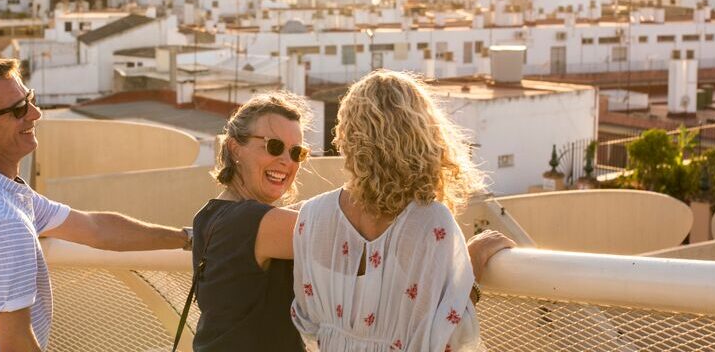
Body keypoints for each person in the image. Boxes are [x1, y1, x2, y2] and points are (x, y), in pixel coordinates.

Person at [0, 58, 191, 352]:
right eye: (19, 109)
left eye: (30, 99)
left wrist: (187, 238)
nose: (35, 113)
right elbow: (16, 344)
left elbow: (95, 228)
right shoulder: (2, 220)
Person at [291, 69, 515, 351]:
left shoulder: (312, 217)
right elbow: (445, 340)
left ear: (347, 135)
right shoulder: (430, 222)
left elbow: (308, 322)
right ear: (422, 135)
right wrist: (472, 266)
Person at [190, 92, 311, 351]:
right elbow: (336, 230)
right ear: (235, 148)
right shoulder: (249, 222)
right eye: (274, 146)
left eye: (297, 152)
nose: (286, 161)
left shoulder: (208, 216)